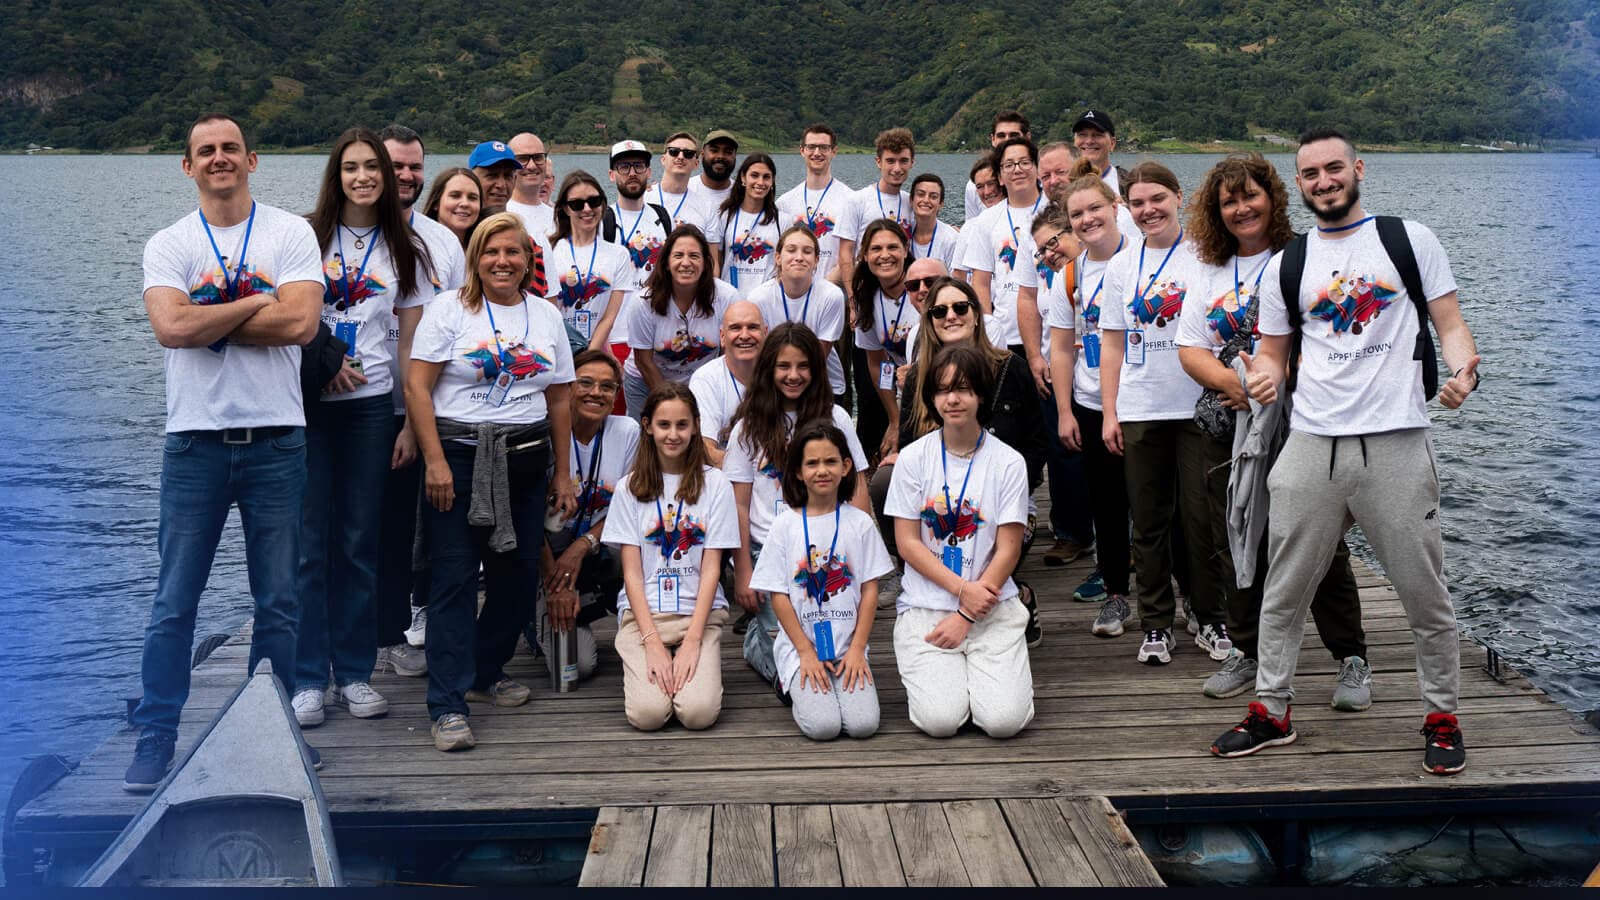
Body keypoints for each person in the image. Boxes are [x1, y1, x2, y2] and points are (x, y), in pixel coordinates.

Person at [1210, 128, 1480, 775]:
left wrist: (1466, 369)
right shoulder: (1289, 265)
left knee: (1424, 595)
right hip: (1311, 443)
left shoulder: (1408, 241)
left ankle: (1441, 716)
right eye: (1311, 174)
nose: (1324, 181)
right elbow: (1271, 354)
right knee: (1283, 590)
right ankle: (1271, 711)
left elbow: (1450, 324)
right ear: (1298, 185)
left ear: (1357, 169)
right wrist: (1263, 378)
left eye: (1334, 168)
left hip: (1396, 443)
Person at [125, 112, 324, 791]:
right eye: (206, 151)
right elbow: (170, 328)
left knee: (279, 603)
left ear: (252, 160)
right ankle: (156, 733)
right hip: (195, 445)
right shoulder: (168, 242)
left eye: (230, 149)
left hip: (276, 440)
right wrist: (252, 303)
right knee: (174, 602)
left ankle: (272, 732)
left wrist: (208, 319)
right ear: (188, 165)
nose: (219, 159)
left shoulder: (290, 232)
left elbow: (300, 324)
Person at [1176, 152, 1371, 703]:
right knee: (1235, 535)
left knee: (1320, 540)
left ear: (1273, 197)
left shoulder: (1303, 258)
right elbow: (1190, 348)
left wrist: (1273, 379)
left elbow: (1329, 340)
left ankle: (1351, 656)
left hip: (1300, 425)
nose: (1241, 208)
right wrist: (1236, 385)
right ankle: (1248, 650)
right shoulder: (1207, 269)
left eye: (1250, 195)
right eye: (1228, 201)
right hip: (1229, 428)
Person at [405, 212, 578, 752]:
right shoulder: (449, 311)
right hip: (460, 459)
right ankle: (447, 705)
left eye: (513, 252)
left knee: (517, 574)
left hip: (527, 460)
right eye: (491, 252)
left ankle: (483, 670)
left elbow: (560, 395)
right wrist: (433, 461)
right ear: (475, 257)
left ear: (529, 259)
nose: (502, 262)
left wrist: (565, 471)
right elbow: (416, 387)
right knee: (454, 579)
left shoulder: (546, 316)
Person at [291, 127, 436, 727]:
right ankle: (307, 677)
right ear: (336, 175)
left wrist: (407, 420)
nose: (363, 178)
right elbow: (289, 313)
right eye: (351, 168)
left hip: (372, 409)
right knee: (308, 545)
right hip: (308, 406)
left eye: (372, 167)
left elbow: (409, 342)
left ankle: (352, 672)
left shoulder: (404, 249)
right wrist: (323, 361)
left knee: (358, 543)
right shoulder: (303, 236)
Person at [1098, 162, 1231, 666]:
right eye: (1137, 203)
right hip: (1141, 405)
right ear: (1126, 209)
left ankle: (1210, 615)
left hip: (1196, 404)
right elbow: (1111, 343)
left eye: (1158, 199)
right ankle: (1155, 624)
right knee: (1148, 522)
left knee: (1202, 519)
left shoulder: (1206, 256)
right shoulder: (1120, 265)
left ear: (1180, 198)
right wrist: (1110, 411)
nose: (1148, 210)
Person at [881, 278, 1045, 643]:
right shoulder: (919, 376)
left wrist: (1009, 490)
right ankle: (924, 576)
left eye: (960, 307)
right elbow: (908, 445)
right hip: (939, 501)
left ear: (976, 315)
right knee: (883, 485)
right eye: (939, 311)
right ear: (930, 321)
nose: (950, 315)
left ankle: (1013, 594)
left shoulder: (1010, 368)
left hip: (1002, 499)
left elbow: (1036, 444)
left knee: (989, 538)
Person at [886, 343, 1034, 738]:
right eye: (943, 390)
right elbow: (908, 543)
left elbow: (1008, 547)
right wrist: (960, 591)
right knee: (941, 721)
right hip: (927, 607)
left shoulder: (1008, 462)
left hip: (989, 607)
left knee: (1003, 723)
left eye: (964, 389)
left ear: (981, 395)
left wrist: (968, 611)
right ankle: (957, 683)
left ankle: (981, 680)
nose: (953, 399)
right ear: (932, 398)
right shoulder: (914, 459)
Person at [725, 323, 871, 685]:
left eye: (803, 366)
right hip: (769, 551)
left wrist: (859, 547)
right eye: (783, 366)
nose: (793, 375)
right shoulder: (749, 427)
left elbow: (858, 488)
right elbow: (739, 504)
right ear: (768, 369)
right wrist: (743, 569)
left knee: (831, 658)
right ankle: (759, 640)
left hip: (828, 548)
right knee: (792, 671)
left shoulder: (835, 418)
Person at [375, 124, 469, 676]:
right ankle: (352, 645)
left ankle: (394, 633)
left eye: (414, 167)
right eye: (395, 166)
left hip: (426, 409)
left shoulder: (442, 242)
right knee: (355, 529)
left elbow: (458, 326)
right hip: (357, 405)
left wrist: (420, 418)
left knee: (411, 530)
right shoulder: (331, 237)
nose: (406, 176)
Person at [602, 382, 740, 731]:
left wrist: (693, 641)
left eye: (682, 425)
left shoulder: (717, 485)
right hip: (645, 615)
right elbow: (631, 574)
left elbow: (712, 570)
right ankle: (648, 661)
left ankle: (692, 660)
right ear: (647, 425)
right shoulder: (629, 488)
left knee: (697, 714)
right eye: (664, 425)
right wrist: (652, 643)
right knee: (648, 715)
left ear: (696, 425)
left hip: (699, 613)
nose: (673, 434)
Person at [750, 420, 892, 740]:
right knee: (824, 727)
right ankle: (788, 683)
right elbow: (779, 595)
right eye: (811, 463)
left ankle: (836, 684)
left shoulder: (860, 524)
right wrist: (804, 652)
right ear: (798, 471)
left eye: (830, 461)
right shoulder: (784, 525)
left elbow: (870, 591)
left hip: (846, 646)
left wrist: (857, 649)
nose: (822, 470)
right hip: (804, 648)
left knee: (862, 725)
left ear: (845, 466)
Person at [1048, 168, 1135, 636]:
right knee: (1106, 502)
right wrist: (1065, 411)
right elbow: (1061, 347)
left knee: (1160, 504)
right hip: (1089, 400)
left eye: (1094, 209)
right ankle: (1117, 592)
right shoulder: (1070, 275)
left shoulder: (1142, 259)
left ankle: (1189, 600)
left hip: (1141, 403)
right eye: (1077, 214)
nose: (1087, 220)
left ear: (1115, 207)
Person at [538, 350, 641, 682]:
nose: (596, 393)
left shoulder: (627, 432)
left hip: (596, 549)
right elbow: (524, 517)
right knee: (577, 666)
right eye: (585, 383)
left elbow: (629, 509)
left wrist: (582, 546)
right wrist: (556, 581)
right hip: (545, 560)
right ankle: (535, 613)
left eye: (607, 387)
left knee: (639, 549)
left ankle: (643, 626)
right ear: (566, 387)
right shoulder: (542, 430)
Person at [1028, 204, 1097, 570]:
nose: (1048, 254)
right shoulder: (1059, 279)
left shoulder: (1111, 263)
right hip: (1066, 371)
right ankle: (1073, 534)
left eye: (1052, 243)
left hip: (1108, 376)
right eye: (1041, 250)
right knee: (1064, 450)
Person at [623, 225, 738, 415]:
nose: (686, 263)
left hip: (701, 383)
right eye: (678, 256)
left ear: (706, 262)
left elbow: (727, 355)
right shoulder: (643, 303)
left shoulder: (727, 297)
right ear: (667, 262)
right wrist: (673, 405)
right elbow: (643, 361)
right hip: (645, 382)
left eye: (694, 256)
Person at [962, 137, 1043, 375]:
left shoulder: (1055, 209)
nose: (1017, 170)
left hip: (1050, 331)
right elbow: (980, 281)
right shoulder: (987, 220)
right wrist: (988, 330)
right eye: (1009, 165)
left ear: (1036, 168)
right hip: (1007, 334)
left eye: (1024, 162)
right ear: (999, 176)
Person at [748, 225, 849, 400]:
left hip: (822, 383)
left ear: (816, 260)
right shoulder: (759, 298)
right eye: (791, 250)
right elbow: (760, 352)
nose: (799, 257)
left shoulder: (831, 296)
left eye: (807, 251)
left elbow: (819, 355)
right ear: (778, 257)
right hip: (774, 382)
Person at [849, 218, 915, 462]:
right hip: (900, 383)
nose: (885, 255)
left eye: (893, 247)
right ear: (865, 255)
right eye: (876, 249)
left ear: (905, 251)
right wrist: (895, 419)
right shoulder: (866, 298)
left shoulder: (922, 288)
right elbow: (877, 365)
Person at [547, 171, 636, 350]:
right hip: (558, 347)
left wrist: (590, 356)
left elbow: (608, 318)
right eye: (577, 204)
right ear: (565, 208)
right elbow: (549, 314)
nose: (587, 209)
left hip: (595, 351)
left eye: (594, 201)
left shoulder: (619, 255)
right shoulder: (549, 250)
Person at [689, 300, 767, 466]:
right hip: (725, 479)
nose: (745, 335)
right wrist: (751, 470)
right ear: (722, 337)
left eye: (752, 327)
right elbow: (705, 450)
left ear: (765, 334)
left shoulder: (782, 375)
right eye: (735, 328)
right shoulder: (706, 379)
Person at [776, 123, 853, 288]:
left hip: (835, 293)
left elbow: (853, 255)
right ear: (802, 150)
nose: (817, 153)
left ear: (834, 151)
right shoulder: (784, 202)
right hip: (794, 293)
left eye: (824, 147)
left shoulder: (851, 200)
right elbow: (780, 255)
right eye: (811, 147)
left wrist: (822, 290)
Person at [707, 153, 781, 290]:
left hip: (766, 302)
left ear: (772, 181)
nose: (760, 182)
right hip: (731, 299)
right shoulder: (725, 216)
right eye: (754, 175)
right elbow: (717, 262)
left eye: (766, 177)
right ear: (743, 178)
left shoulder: (782, 221)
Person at [846, 128, 916, 244]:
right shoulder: (856, 201)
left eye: (903, 161)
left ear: (912, 163)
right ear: (878, 162)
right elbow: (845, 256)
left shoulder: (913, 203)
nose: (897, 169)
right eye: (890, 161)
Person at [964, 110, 1029, 221]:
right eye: (1001, 136)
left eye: (1014, 135)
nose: (1007, 141)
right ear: (993, 139)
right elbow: (972, 226)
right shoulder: (974, 185)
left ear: (1027, 137)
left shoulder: (1043, 176)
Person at [952, 155, 1004, 283]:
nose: (987, 192)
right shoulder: (970, 227)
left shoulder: (1020, 221)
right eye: (980, 187)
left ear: (1002, 181)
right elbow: (959, 275)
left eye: (991, 183)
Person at [652, 132, 716, 231]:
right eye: (674, 151)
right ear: (663, 159)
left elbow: (711, 246)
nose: (681, 157)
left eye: (688, 154)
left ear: (696, 163)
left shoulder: (707, 208)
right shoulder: (642, 198)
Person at [505, 132, 555, 242]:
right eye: (522, 159)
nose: (532, 166)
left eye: (538, 157)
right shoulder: (500, 214)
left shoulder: (558, 217)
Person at [422, 168, 485, 248]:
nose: (465, 203)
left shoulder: (485, 248)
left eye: (472, 197)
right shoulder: (419, 247)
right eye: (455, 196)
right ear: (436, 203)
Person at [908, 174, 960, 269]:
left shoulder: (951, 239)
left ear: (941, 204)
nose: (926, 200)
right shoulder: (904, 233)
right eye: (921, 194)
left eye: (933, 197)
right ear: (911, 200)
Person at [1072, 109, 1128, 197]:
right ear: (1074, 141)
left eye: (1097, 135)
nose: (1089, 141)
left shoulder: (1129, 184)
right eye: (1082, 135)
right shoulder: (1061, 183)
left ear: (1112, 143)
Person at [689, 128, 740, 208]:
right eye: (714, 150)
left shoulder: (742, 195)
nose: (721, 156)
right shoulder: (686, 189)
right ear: (702, 154)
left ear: (735, 156)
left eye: (728, 152)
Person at [468, 140, 521, 212]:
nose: (501, 185)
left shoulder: (518, 222)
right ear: (471, 179)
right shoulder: (456, 222)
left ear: (515, 180)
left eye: (507, 176)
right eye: (492, 175)